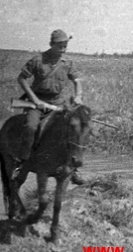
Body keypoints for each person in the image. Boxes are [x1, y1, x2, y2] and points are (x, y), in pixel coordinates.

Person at [15, 29, 89, 185]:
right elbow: (21, 79)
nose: (62, 49)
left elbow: (77, 81)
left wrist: (78, 95)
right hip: (37, 104)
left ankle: (72, 168)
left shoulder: (67, 63)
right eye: (59, 46)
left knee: (72, 129)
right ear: (51, 44)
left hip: (58, 104)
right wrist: (34, 99)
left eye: (65, 46)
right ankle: (22, 164)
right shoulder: (37, 60)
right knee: (30, 127)